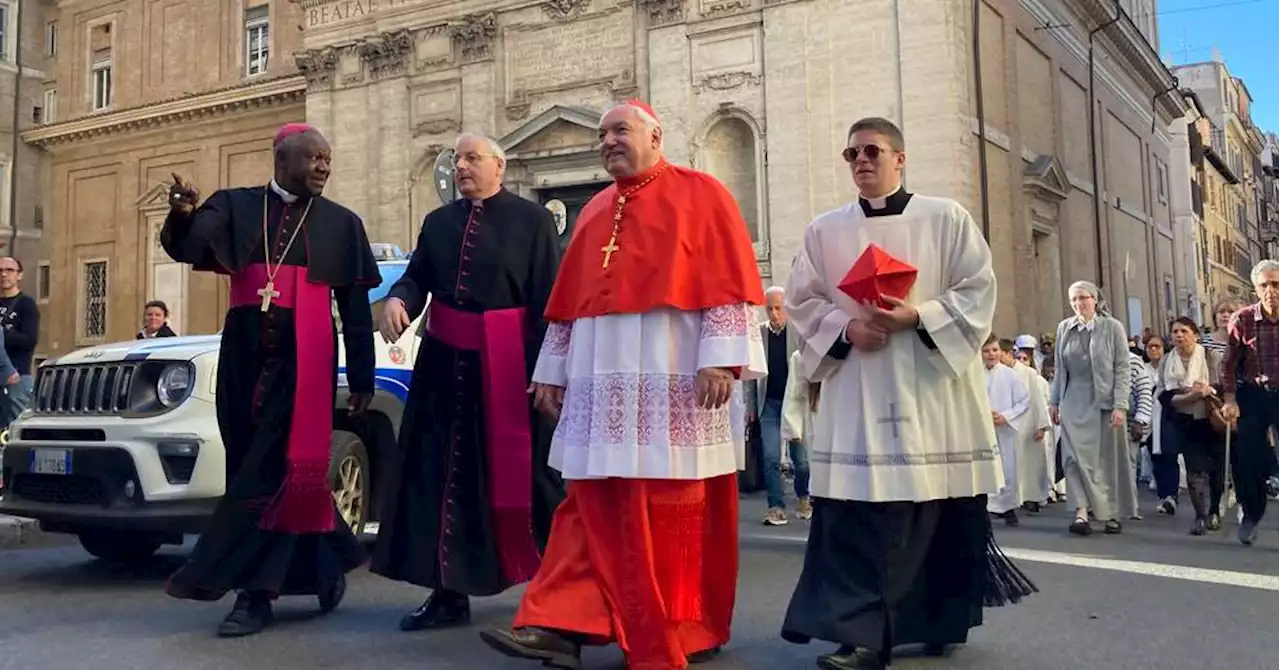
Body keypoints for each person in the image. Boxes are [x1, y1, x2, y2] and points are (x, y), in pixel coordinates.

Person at [478, 100, 766, 670]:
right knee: (589, 502)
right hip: (600, 379)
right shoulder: (594, 211)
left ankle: (684, 626)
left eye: (621, 130)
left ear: (656, 135)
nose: (608, 140)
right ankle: (562, 622)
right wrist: (553, 375)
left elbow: (728, 281)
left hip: (673, 375)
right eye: (603, 134)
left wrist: (720, 360)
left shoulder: (702, 193)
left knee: (670, 508)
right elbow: (570, 308)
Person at [779, 116, 1034, 670]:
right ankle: (863, 636)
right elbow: (801, 302)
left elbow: (979, 289)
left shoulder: (945, 218)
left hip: (931, 391)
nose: (862, 161)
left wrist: (920, 315)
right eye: (851, 154)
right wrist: (848, 330)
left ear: (900, 158)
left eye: (872, 151)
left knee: (933, 509)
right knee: (859, 515)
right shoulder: (825, 231)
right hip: (860, 390)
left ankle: (938, 619)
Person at [161, 123, 381, 637]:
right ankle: (324, 566)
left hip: (304, 361)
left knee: (266, 471)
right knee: (254, 465)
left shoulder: (342, 223)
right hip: (243, 356)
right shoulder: (235, 205)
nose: (324, 167)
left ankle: (251, 594)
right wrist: (182, 213)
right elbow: (189, 247)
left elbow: (353, 310)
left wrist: (363, 376)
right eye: (314, 159)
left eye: (328, 159)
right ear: (283, 159)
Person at [369, 133, 564, 631]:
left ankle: (554, 594)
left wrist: (548, 373)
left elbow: (548, 303)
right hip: (442, 367)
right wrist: (399, 300)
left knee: (528, 478)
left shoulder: (533, 221)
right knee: (442, 478)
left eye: (472, 158)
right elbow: (417, 277)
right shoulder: (438, 223)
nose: (461, 167)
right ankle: (447, 594)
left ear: (498, 166)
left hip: (509, 369)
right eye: (457, 159)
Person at [1048, 280, 1131, 537]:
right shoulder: (1064, 328)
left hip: (1104, 402)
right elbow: (1060, 369)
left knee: (1105, 459)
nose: (1078, 304)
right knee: (1073, 459)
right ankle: (1081, 511)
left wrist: (1120, 404)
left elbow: (1122, 368)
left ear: (1095, 299)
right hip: (1073, 399)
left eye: (1083, 298)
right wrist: (1054, 401)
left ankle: (1110, 512)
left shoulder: (1112, 328)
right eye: (1074, 300)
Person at [1220, 260, 1280, 546]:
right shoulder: (1242, 319)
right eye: (1264, 285)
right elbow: (1228, 364)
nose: (1271, 290)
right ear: (1255, 289)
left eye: (1276, 284)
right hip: (1253, 394)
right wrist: (1230, 398)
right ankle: (1251, 516)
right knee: (1248, 460)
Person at [744, 285, 810, 525]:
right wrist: (750, 408)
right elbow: (751, 375)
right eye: (769, 308)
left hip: (794, 405)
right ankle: (776, 507)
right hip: (769, 404)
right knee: (770, 457)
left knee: (800, 460)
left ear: (787, 308)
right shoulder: (759, 335)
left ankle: (804, 497)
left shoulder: (799, 334)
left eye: (778, 308)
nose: (774, 313)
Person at [1157, 317, 1223, 536]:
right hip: (1183, 420)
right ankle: (1200, 516)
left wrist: (1206, 391)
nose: (1179, 335)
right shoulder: (1168, 361)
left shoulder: (1210, 356)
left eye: (1184, 331)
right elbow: (1163, 394)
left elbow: (1221, 386)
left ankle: (1214, 510)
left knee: (1215, 469)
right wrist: (1189, 395)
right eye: (1175, 331)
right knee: (1194, 469)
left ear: (1195, 334)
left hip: (1210, 419)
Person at [999, 338, 1050, 513]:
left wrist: (1042, 425)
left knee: (1030, 464)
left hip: (1028, 423)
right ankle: (1009, 501)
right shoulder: (999, 374)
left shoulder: (1028, 374)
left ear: (1007, 354)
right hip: (1007, 424)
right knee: (1009, 464)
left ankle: (1031, 497)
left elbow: (1037, 399)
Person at [985, 336, 1031, 527]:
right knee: (987, 468)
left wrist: (1006, 416)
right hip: (983, 429)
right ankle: (987, 507)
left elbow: (1024, 400)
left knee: (1008, 469)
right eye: (986, 351)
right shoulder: (974, 376)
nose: (991, 354)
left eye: (995, 350)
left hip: (1005, 428)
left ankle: (1008, 507)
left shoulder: (1010, 375)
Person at [0, 257, 38, 425]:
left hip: (17, 377)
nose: (3, 274)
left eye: (9, 270)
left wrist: (3, 333)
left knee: (18, 427)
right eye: (0, 271)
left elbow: (29, 340)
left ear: (19, 275)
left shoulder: (26, 304)